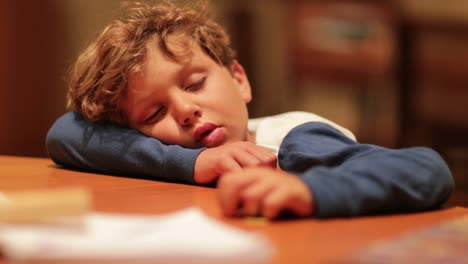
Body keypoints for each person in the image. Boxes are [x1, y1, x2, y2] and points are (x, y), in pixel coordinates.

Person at [46, 1, 454, 219]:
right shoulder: (180, 151)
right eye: (154, 114)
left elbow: (427, 170)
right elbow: (65, 132)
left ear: (239, 79)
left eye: (195, 84)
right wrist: (193, 164)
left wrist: (309, 190)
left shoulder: (293, 141)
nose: (186, 110)